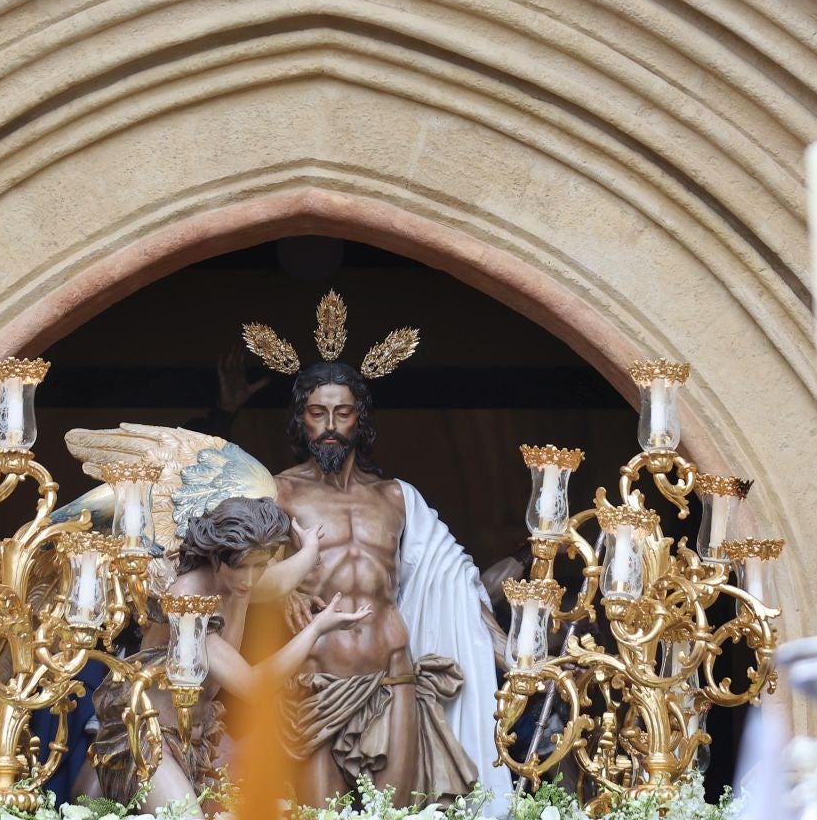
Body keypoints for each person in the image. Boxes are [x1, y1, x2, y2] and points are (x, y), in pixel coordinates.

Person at [242, 294, 512, 811]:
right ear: (301, 418)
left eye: (341, 413)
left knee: (396, 811)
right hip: (315, 678)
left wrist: (512, 649)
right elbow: (240, 576)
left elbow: (453, 579)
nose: (328, 425)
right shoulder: (277, 493)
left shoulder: (396, 498)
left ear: (359, 418)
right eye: (316, 412)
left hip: (393, 673)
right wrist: (283, 590)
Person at [89, 495, 367, 815]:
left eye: (260, 565)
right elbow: (251, 685)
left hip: (198, 740)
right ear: (217, 557)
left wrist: (308, 551)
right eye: (241, 567)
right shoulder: (188, 599)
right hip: (149, 740)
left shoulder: (239, 583)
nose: (250, 579)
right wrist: (316, 630)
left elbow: (282, 579)